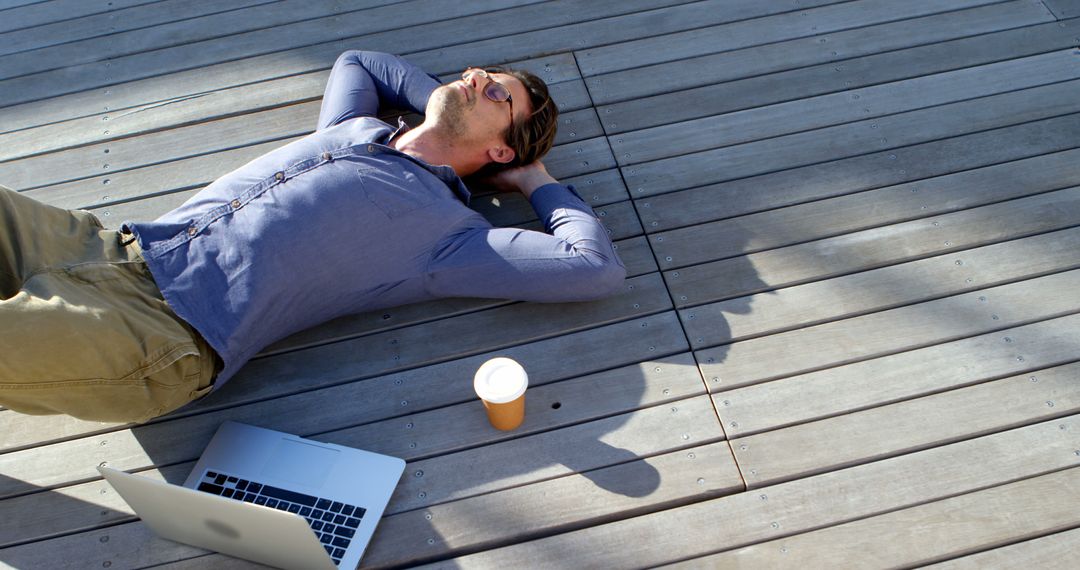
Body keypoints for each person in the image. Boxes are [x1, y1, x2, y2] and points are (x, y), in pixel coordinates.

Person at [0, 51, 626, 424]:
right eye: (481, 72)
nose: (475, 77)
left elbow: (592, 265)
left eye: (496, 94)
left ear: (501, 145)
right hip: (110, 251)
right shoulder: (353, 128)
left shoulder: (450, 235)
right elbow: (360, 60)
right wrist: (447, 108)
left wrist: (532, 179)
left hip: (160, 337)